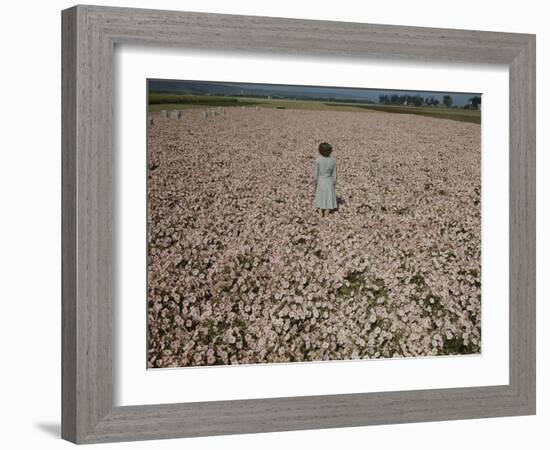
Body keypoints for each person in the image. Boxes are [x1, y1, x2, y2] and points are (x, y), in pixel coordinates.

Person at [313, 142, 337, 217]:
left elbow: (315, 173)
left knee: (320, 196)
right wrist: (334, 182)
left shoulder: (318, 160)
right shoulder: (333, 160)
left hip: (321, 180)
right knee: (328, 196)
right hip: (329, 180)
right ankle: (326, 215)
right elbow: (335, 173)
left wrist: (315, 182)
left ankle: (320, 214)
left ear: (320, 151)